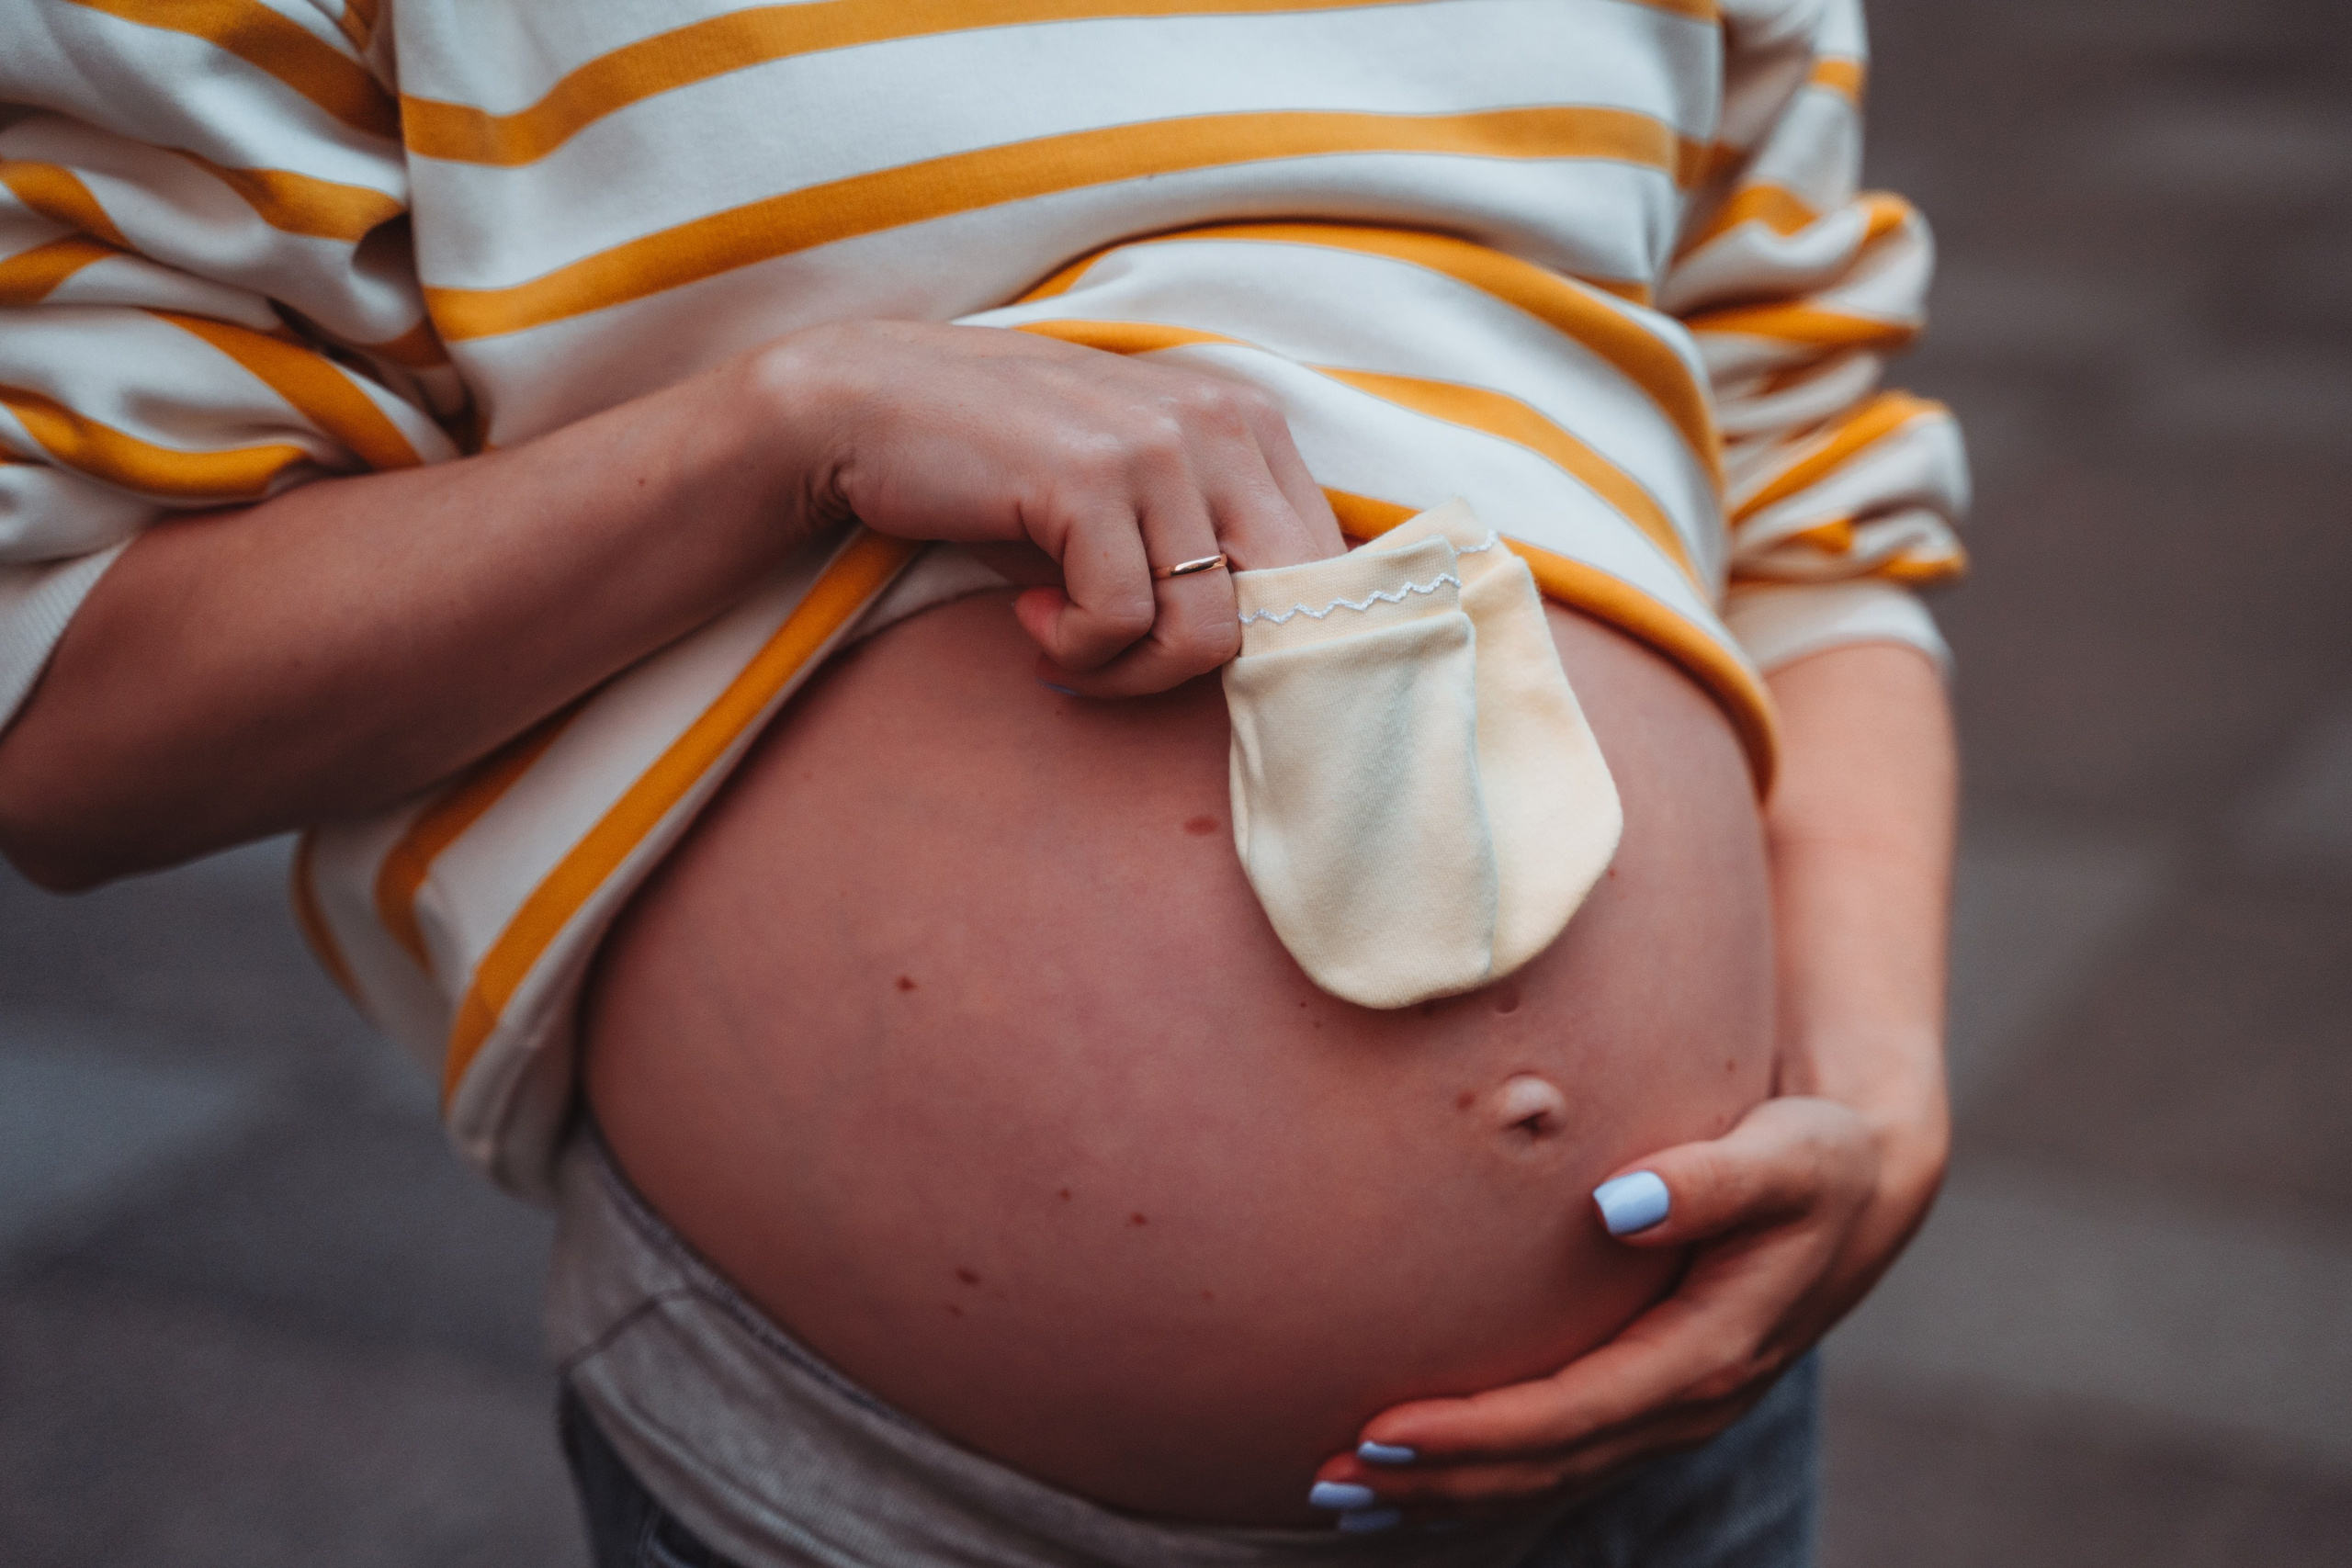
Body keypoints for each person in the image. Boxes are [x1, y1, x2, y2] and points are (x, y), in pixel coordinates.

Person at [0, 1, 1965, 1563]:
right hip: (892, 1494)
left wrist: (1876, 1069)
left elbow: (1811, 477)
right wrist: (784, 432)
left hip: (1684, 1422)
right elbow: (73, 715)